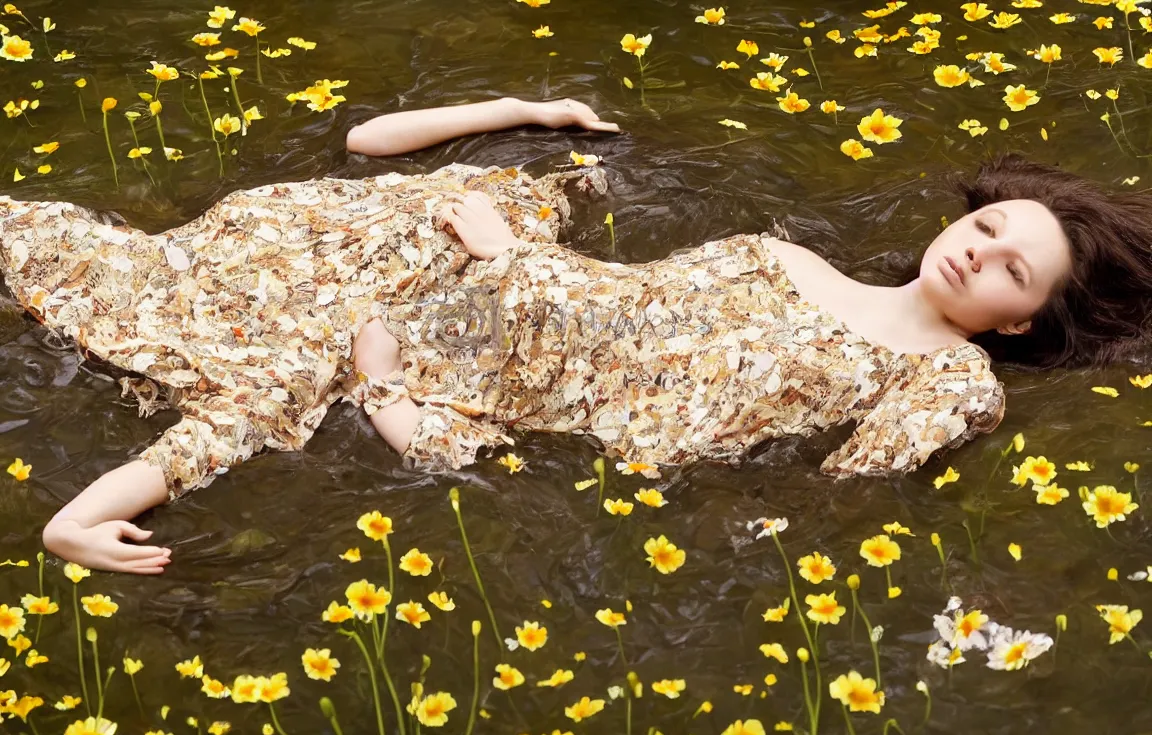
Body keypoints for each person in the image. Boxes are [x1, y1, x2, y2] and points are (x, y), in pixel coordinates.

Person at [4, 97, 1147, 574]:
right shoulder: (788, 255)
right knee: (153, 262)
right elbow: (621, 296)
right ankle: (507, 138)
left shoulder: (947, 383)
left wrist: (406, 391)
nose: (981, 252)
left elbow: (833, 498)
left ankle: (79, 520)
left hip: (491, 363)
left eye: (1013, 269)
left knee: (281, 378)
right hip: (490, 278)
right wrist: (526, 125)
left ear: (1024, 318)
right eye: (991, 226)